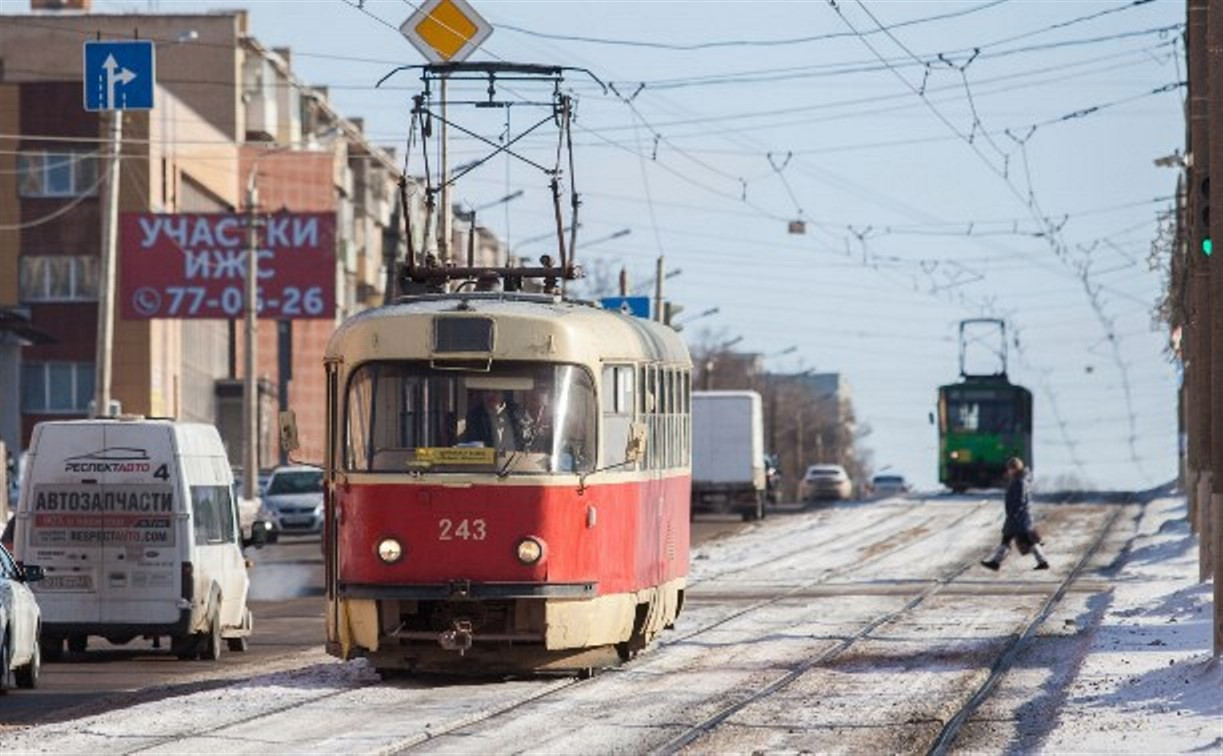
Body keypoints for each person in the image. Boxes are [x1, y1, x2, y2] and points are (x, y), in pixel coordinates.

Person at [980, 456, 1049, 571]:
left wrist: (1014, 514)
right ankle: (996, 562)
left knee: (1017, 540)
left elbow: (1019, 500)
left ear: (1015, 468)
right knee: (1013, 540)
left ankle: (996, 562)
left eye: (1010, 468)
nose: (1008, 471)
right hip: (1017, 517)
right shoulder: (1018, 480)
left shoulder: (1019, 482)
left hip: (1018, 518)